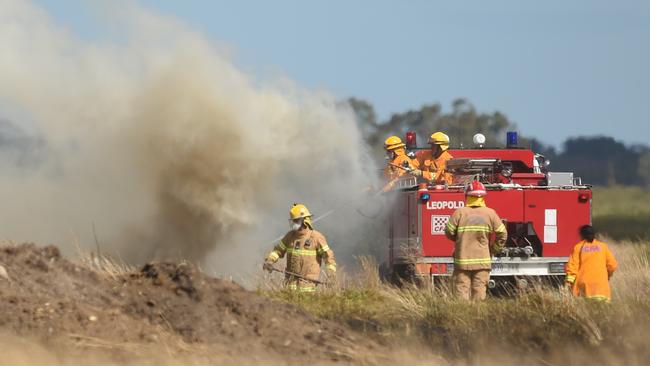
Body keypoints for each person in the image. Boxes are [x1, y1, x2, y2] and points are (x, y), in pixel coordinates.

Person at [444, 181, 507, 300]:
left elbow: (448, 232)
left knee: (461, 290)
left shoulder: (459, 213)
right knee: (479, 290)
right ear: (483, 197)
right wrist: (493, 249)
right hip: (482, 261)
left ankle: (462, 317)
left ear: (467, 196)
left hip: (463, 261)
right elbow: (503, 234)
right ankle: (478, 316)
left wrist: (459, 240)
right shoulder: (490, 213)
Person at [263, 203, 337, 293]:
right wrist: (270, 261)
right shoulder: (289, 236)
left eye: (296, 221)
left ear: (305, 221)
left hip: (308, 288)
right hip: (290, 287)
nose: (294, 223)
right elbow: (278, 251)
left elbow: (329, 257)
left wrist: (331, 275)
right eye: (293, 221)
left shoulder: (316, 237)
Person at [565, 225, 618, 302]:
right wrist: (607, 276)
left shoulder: (578, 247)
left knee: (586, 312)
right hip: (602, 287)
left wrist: (569, 282)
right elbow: (612, 265)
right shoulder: (603, 246)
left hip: (584, 288)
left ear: (582, 235)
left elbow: (572, 267)